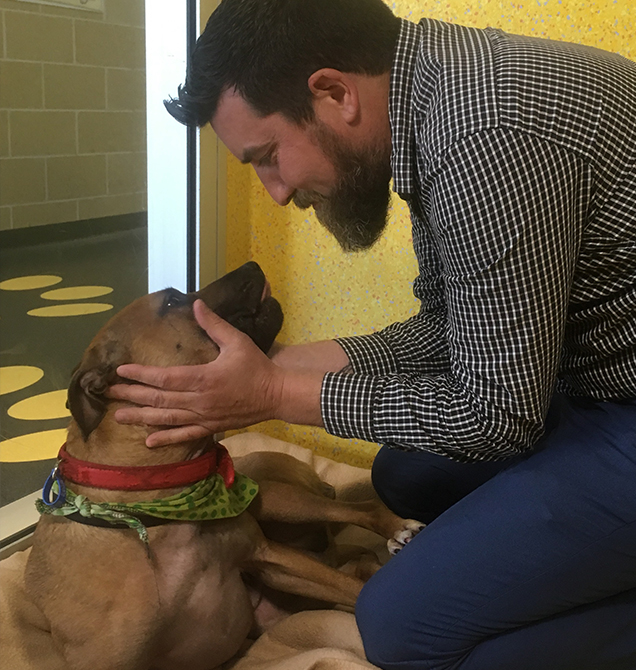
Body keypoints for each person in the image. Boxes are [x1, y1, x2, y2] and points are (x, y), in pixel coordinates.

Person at [108, 0, 636, 667]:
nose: (275, 192)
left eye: (267, 157)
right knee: (404, 475)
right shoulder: (438, 96)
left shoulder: (482, 132)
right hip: (594, 392)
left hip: (617, 409)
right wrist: (295, 366)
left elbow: (498, 416)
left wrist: (274, 395)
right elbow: (451, 326)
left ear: (332, 93)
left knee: (401, 627)